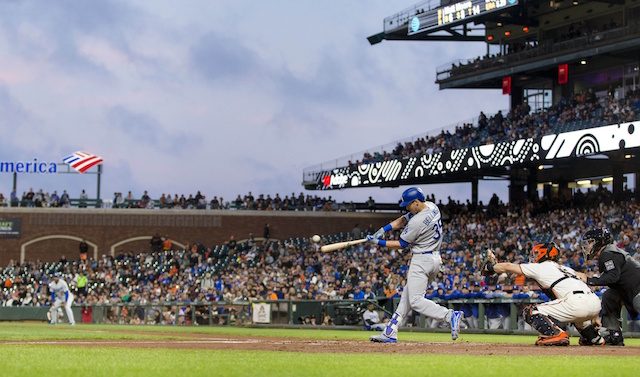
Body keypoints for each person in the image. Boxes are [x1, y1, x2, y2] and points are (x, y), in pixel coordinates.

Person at [366, 187, 463, 343]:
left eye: (408, 204)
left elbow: (401, 244)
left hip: (421, 260)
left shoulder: (417, 222)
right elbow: (403, 219)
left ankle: (449, 315)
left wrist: (379, 242)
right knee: (407, 297)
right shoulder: (432, 206)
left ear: (416, 202)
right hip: (435, 259)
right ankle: (390, 331)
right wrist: (384, 229)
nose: (406, 207)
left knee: (416, 301)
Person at [481, 243, 603, 346]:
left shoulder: (541, 267)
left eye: (536, 254)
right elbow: (583, 278)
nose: (533, 257)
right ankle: (594, 338)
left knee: (531, 311)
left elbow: (508, 267)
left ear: (543, 255)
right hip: (594, 302)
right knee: (579, 318)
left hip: (577, 303)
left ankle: (556, 334)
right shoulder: (565, 269)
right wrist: (595, 316)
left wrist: (491, 266)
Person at [575, 228, 640, 346]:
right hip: (631, 289)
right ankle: (615, 335)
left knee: (638, 302)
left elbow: (612, 277)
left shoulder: (608, 253)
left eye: (590, 242)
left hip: (637, 288)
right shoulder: (608, 253)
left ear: (599, 242)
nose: (587, 246)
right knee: (609, 296)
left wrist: (588, 280)